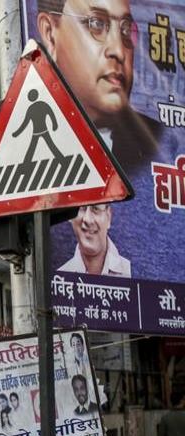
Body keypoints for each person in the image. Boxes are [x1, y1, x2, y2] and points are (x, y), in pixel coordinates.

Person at [36, 0, 161, 173]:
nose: (118, 51)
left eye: (126, 30)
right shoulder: (22, 143)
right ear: (50, 34)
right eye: (96, 24)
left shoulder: (163, 145)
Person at [57, 204, 132, 278]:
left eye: (96, 208)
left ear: (108, 216)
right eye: (81, 207)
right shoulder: (59, 279)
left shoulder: (131, 270)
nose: (88, 219)